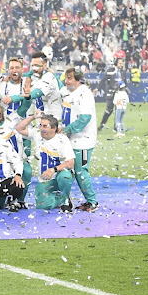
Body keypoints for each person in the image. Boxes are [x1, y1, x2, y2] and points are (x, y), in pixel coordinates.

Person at [15, 113, 75, 212]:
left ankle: (66, 201)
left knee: (65, 176)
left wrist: (53, 170)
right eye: (40, 125)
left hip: (60, 175)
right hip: (45, 179)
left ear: (54, 128)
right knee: (42, 205)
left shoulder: (62, 140)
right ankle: (60, 198)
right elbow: (19, 128)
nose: (42, 128)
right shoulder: (37, 134)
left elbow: (70, 163)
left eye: (45, 126)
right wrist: (33, 117)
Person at [62, 68, 98, 212]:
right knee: (68, 170)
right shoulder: (69, 92)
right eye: (66, 78)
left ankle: (92, 202)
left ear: (78, 80)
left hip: (84, 142)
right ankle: (66, 200)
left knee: (81, 171)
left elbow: (85, 118)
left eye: (70, 78)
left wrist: (66, 129)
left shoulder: (85, 94)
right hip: (71, 140)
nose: (66, 81)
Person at [0, 99, 32, 208]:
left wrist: (23, 96)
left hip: (19, 161)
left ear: (1, 109)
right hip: (2, 165)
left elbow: (26, 104)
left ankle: (19, 200)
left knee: (27, 171)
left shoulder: (13, 119)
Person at [24, 51, 63, 120]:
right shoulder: (35, 77)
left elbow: (37, 93)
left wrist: (28, 95)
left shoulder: (49, 77)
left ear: (45, 65)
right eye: (32, 65)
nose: (33, 68)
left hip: (53, 121)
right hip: (42, 120)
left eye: (36, 65)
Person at [94, 57, 127, 131]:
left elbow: (125, 82)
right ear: (116, 63)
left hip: (119, 93)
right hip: (110, 92)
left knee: (118, 109)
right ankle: (101, 125)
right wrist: (97, 88)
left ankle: (116, 127)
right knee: (109, 109)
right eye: (120, 63)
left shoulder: (123, 72)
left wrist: (125, 90)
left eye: (122, 63)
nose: (121, 65)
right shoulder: (110, 70)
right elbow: (103, 80)